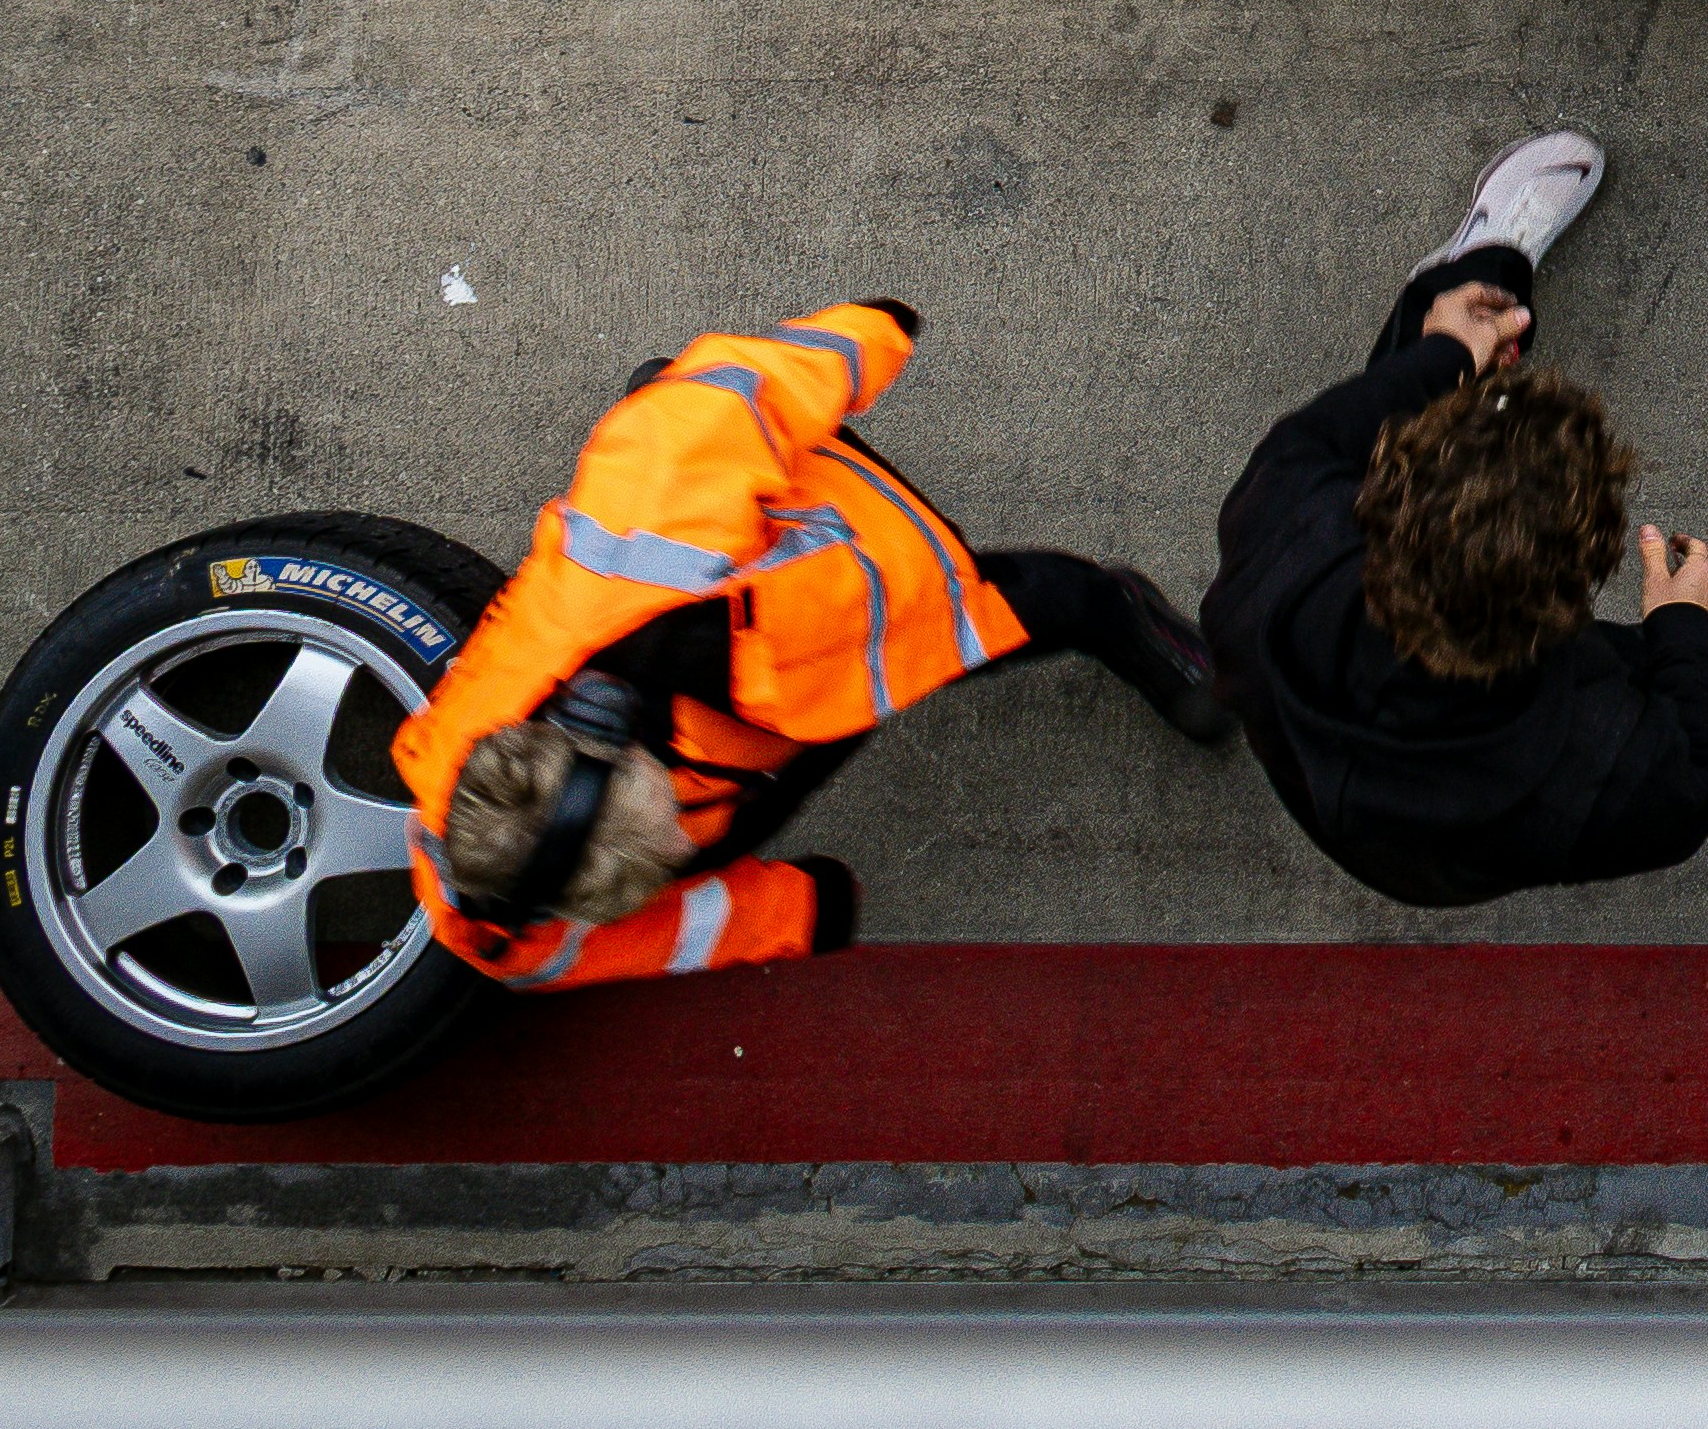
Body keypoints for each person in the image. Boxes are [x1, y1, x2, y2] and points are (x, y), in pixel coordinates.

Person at [397, 296, 1227, 987]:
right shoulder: (497, 906)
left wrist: (869, 332)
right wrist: (796, 912)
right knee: (669, 416)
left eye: (665, 823)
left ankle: (1118, 612)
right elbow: (621, 942)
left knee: (1040, 601)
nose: (689, 840)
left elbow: (741, 393)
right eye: (666, 859)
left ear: (601, 729)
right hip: (775, 725)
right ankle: (653, 390)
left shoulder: (647, 548)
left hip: (824, 594)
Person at [1209, 131, 1708, 908]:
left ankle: (1475, 275)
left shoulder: (1286, 516)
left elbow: (1342, 427)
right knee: (1633, 671)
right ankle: (1687, 657)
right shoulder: (1608, 762)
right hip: (1469, 804)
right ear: (1580, 578)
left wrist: (1447, 351)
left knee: (1436, 342)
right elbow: (1699, 777)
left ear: (1386, 494)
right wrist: (1684, 632)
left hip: (1377, 832)